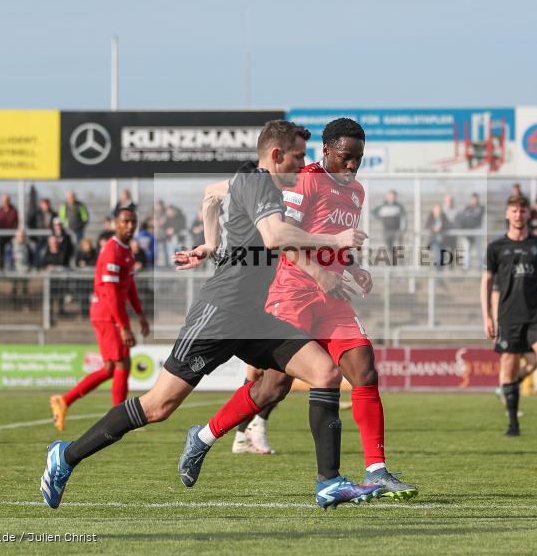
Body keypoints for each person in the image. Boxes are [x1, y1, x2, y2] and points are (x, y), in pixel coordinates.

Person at [40, 120, 377, 511]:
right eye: (299, 157)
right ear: (276, 156)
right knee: (158, 407)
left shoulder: (248, 180)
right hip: (219, 314)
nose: (304, 164)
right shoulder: (260, 183)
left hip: (253, 316)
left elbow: (209, 196)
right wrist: (333, 241)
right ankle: (65, 457)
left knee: (325, 373)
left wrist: (211, 245)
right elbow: (274, 237)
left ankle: (329, 482)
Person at [181, 118, 417, 500]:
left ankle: (377, 471)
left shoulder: (355, 190)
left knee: (364, 368)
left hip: (333, 296)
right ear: (326, 151)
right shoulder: (304, 180)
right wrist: (319, 273)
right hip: (291, 292)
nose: (352, 166)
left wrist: (353, 267)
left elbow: (333, 241)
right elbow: (280, 238)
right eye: (345, 157)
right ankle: (204, 436)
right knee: (273, 387)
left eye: (358, 158)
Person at [49, 207, 150, 433]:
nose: (130, 226)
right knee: (122, 364)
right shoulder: (112, 251)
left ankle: (64, 401)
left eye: (133, 221)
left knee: (109, 368)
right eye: (125, 221)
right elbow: (112, 293)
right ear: (116, 224)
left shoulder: (126, 251)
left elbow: (129, 286)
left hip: (110, 313)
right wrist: (124, 326)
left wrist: (141, 315)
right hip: (106, 314)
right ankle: (120, 418)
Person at [480, 195, 537, 438]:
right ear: (508, 214)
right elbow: (486, 283)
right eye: (514, 211)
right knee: (509, 367)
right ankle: (513, 425)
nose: (518, 215)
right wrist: (487, 316)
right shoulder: (496, 247)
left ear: (529, 214)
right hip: (508, 317)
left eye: (522, 211)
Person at [372, 190, 406, 265]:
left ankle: (400, 263)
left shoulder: (399, 206)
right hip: (386, 230)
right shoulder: (382, 205)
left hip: (396, 230)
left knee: (397, 247)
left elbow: (403, 218)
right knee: (389, 248)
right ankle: (392, 263)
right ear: (387, 197)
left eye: (393, 196)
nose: (392, 198)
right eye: (390, 196)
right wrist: (379, 217)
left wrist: (403, 229)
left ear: (396, 197)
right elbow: (373, 212)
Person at [455, 193, 485, 270]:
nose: (474, 200)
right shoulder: (468, 207)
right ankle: (465, 267)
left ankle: (481, 266)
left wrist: (469, 218)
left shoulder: (481, 207)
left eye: (476, 198)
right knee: (466, 248)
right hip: (468, 230)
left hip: (477, 230)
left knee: (479, 249)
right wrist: (469, 218)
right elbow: (463, 217)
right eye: (473, 198)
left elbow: (476, 219)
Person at [73, 237, 98, 318]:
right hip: (82, 279)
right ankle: (84, 313)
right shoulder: (79, 253)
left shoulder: (94, 252)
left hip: (91, 278)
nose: (87, 247)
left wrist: (86, 264)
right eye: (85, 245)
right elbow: (76, 262)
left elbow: (95, 262)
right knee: (83, 296)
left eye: (88, 245)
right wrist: (80, 263)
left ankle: (92, 313)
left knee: (93, 297)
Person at [0, 195, 19, 271]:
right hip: (1, 235)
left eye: (6, 200)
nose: (5, 202)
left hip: (11, 235)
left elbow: (16, 223)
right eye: (4, 200)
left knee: (12, 252)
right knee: (1, 252)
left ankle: (12, 269)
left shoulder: (13, 210)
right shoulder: (0, 210)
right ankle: (1, 268)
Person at [425, 203, 450, 268]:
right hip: (434, 241)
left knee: (442, 259)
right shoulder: (431, 217)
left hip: (443, 241)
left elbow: (448, 225)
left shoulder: (443, 217)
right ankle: (437, 275)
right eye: (436, 211)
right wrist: (433, 228)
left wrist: (441, 228)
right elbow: (427, 226)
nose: (437, 212)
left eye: (439, 210)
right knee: (438, 258)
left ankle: (439, 276)